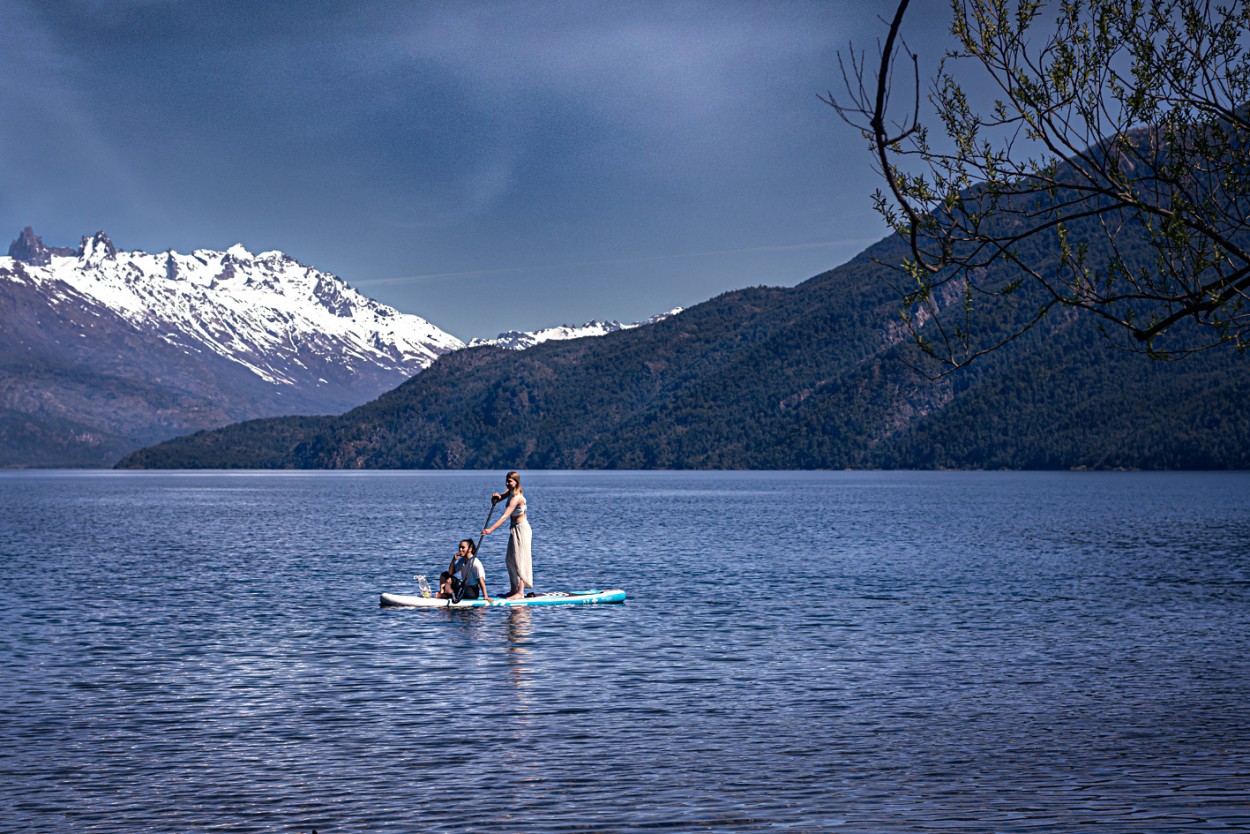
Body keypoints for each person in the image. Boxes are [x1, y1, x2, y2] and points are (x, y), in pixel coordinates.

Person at [482, 471, 533, 600]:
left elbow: (505, 516)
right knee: (509, 559)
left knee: (520, 560)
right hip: (514, 529)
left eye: (509, 481)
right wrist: (496, 497)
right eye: (506, 480)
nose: (507, 483)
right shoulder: (510, 492)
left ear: (516, 482)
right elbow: (501, 497)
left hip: (522, 530)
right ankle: (513, 590)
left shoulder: (517, 497)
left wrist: (490, 530)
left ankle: (520, 593)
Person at [446, 538, 491, 602]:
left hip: (472, 592)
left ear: (470, 549)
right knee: (445, 575)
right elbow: (450, 573)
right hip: (464, 587)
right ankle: (445, 594)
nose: (460, 550)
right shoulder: (462, 560)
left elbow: (481, 581)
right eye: (459, 547)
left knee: (452, 582)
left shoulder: (475, 563)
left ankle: (446, 595)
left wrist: (485, 597)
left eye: (463, 547)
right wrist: (453, 560)